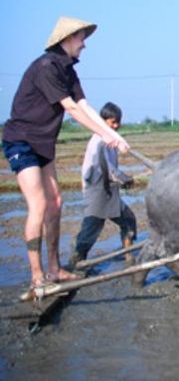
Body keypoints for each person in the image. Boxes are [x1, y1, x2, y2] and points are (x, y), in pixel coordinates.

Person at [2, 16, 131, 291]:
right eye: (82, 38)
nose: (84, 44)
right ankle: (37, 277)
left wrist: (114, 135)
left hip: (43, 144)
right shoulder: (47, 67)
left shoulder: (68, 70)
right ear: (67, 38)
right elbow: (71, 110)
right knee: (38, 205)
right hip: (21, 142)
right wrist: (105, 135)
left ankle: (55, 269)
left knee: (57, 202)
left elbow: (84, 105)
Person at [70, 102, 136, 268]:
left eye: (117, 122)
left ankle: (128, 257)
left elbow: (111, 170)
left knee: (128, 220)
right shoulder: (99, 141)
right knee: (90, 231)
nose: (116, 126)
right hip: (97, 191)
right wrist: (124, 179)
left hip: (109, 191)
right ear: (102, 121)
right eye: (112, 122)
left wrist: (121, 179)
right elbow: (106, 169)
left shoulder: (112, 141)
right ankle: (76, 264)